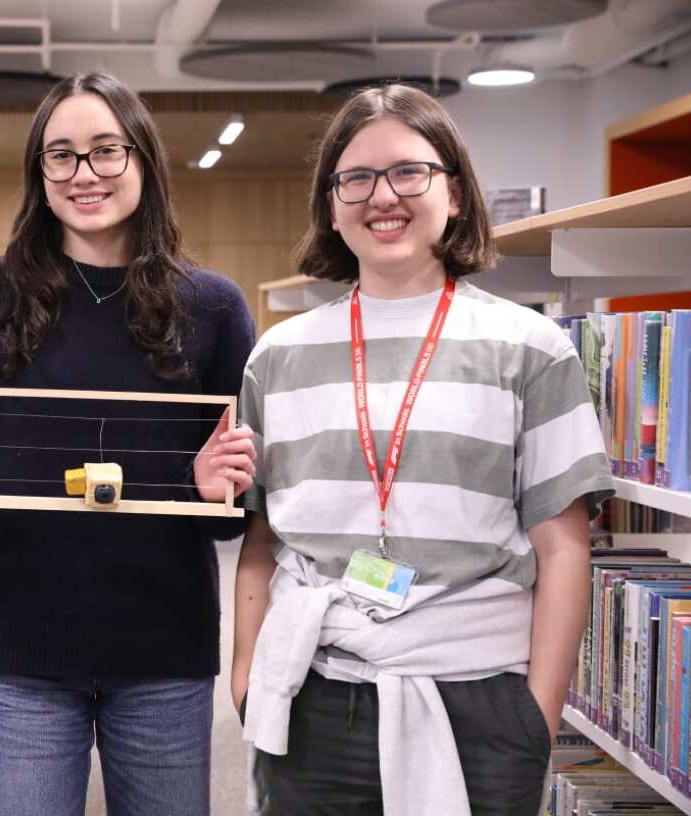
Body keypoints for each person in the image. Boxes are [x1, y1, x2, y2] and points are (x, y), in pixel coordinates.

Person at [231, 83, 615, 816]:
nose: (384, 196)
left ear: (457, 193)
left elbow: (563, 547)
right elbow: (261, 539)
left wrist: (536, 714)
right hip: (313, 691)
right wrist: (246, 675)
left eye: (410, 172)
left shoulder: (528, 348)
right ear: (330, 203)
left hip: (477, 695)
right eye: (357, 178)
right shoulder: (275, 357)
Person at [0, 72, 256, 816]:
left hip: (164, 649)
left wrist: (216, 489)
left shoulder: (211, 307)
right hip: (23, 646)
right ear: (39, 173)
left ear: (143, 161)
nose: (84, 174)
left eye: (106, 151)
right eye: (62, 156)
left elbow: (231, 516)